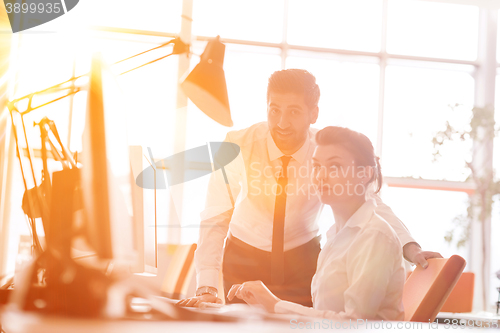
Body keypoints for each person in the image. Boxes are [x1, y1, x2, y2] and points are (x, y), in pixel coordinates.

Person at [177, 69, 441, 308]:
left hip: (302, 260)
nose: (281, 123)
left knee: (304, 323)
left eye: (293, 111)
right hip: (244, 256)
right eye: (274, 110)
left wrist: (409, 248)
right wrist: (207, 286)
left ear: (313, 113)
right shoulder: (236, 145)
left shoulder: (325, 150)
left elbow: (369, 200)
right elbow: (215, 216)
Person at [227, 126, 405, 321]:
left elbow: (354, 323)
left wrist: (275, 304)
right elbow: (324, 314)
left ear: (364, 174)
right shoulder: (336, 236)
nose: (320, 176)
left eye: (334, 166)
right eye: (317, 166)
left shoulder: (374, 236)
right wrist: (268, 306)